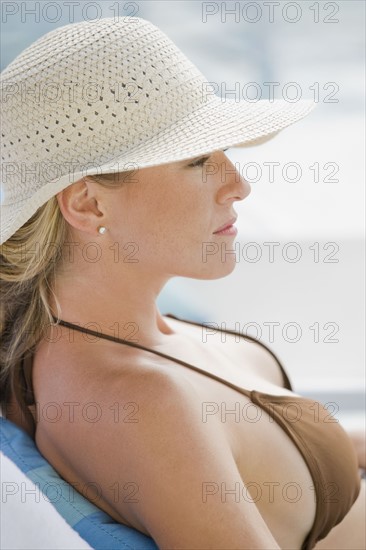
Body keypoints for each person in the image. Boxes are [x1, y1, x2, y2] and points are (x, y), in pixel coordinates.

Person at [0, 16, 364, 550]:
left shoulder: (124, 322)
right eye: (198, 161)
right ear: (89, 203)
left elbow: (272, 463)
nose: (239, 185)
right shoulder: (141, 403)